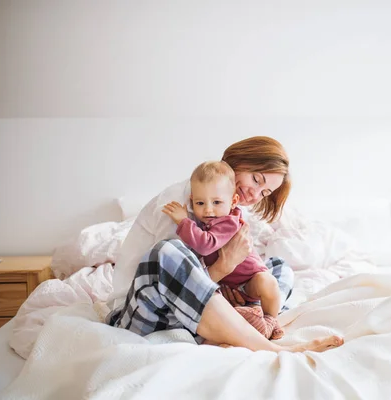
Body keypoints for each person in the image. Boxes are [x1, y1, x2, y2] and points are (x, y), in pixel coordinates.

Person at [106, 136, 343, 353]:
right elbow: (173, 280)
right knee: (168, 250)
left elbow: (220, 274)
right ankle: (272, 347)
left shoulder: (230, 208)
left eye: (264, 192)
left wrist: (235, 289)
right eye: (256, 179)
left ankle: (257, 322)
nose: (254, 194)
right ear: (238, 160)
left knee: (278, 267)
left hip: (200, 305)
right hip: (146, 310)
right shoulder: (177, 204)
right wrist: (225, 267)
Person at [163, 160, 284, 339]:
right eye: (200, 203)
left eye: (217, 202)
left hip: (250, 280)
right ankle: (248, 315)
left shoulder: (229, 221)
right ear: (192, 201)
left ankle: (272, 321)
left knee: (269, 282)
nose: (208, 210)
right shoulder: (210, 219)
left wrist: (183, 221)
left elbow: (205, 245)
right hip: (227, 285)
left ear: (233, 201)